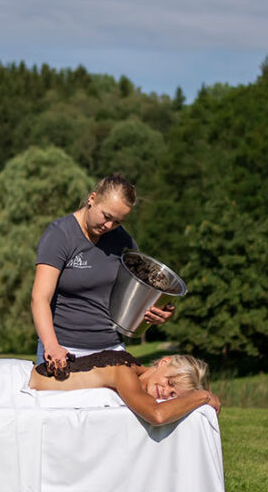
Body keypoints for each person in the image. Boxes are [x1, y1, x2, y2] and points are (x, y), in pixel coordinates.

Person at [31, 174, 173, 377]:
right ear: (92, 198)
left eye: (117, 221)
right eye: (106, 217)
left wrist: (161, 311)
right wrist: (52, 346)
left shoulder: (122, 240)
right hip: (63, 350)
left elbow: (142, 291)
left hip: (112, 350)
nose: (109, 226)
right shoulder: (60, 235)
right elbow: (39, 298)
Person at [30, 352, 219, 426]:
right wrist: (203, 396)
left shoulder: (132, 365)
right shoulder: (124, 371)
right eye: (170, 382)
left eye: (173, 395)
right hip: (15, 386)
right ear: (164, 362)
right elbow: (157, 415)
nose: (164, 391)